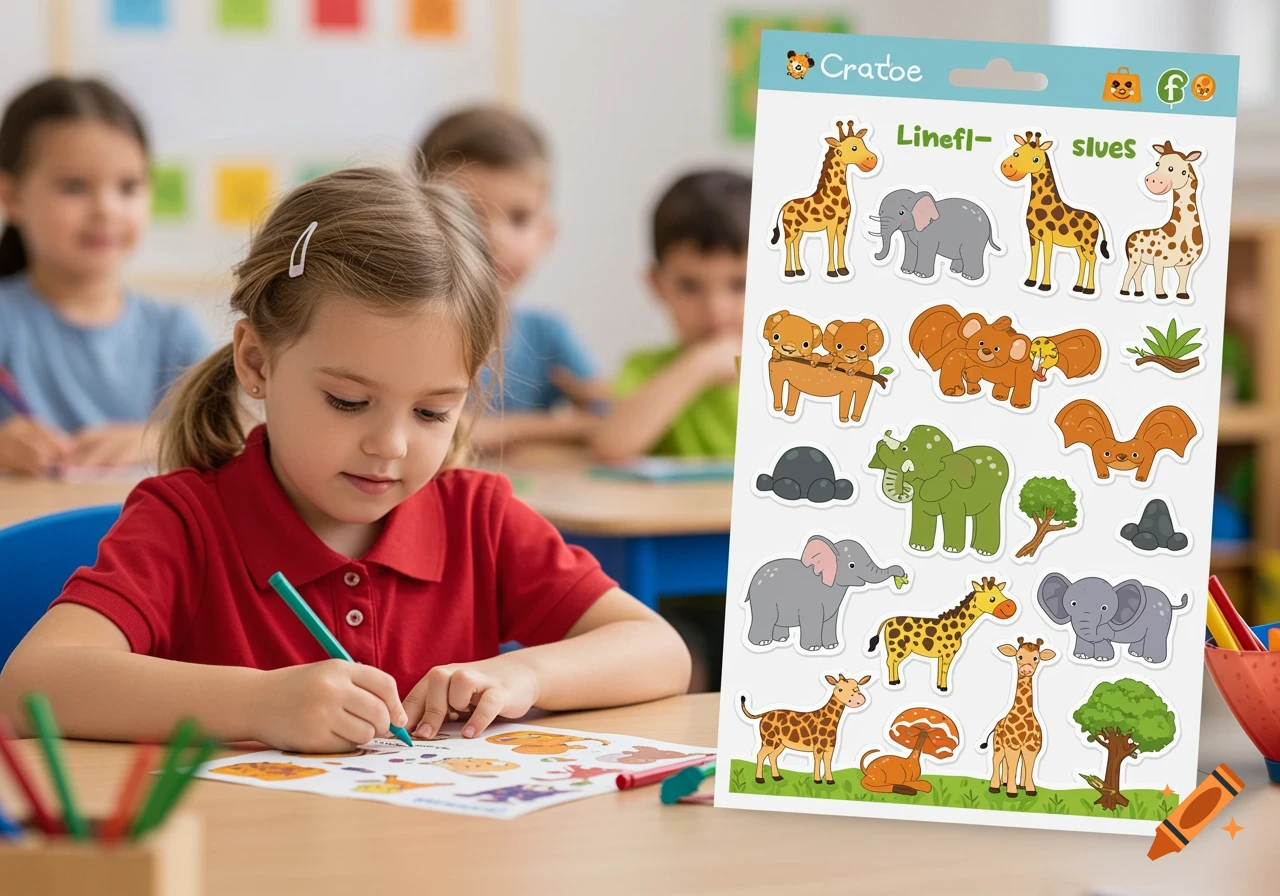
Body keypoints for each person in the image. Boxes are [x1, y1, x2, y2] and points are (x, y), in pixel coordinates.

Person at [0, 167, 690, 750]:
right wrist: (260, 704)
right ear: (256, 362)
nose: (390, 446)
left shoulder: (477, 517)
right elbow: (30, 684)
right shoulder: (185, 522)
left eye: (432, 411)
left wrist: (524, 676)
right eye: (348, 401)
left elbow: (659, 650)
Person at [0, 76, 210, 473]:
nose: (106, 209)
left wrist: (158, 438)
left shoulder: (174, 332)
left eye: (128, 187)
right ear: (11, 196)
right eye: (74, 186)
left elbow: (230, 438)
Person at [416, 106, 605, 455]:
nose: (495, 238)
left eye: (519, 218)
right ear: (416, 221)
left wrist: (501, 430)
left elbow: (609, 421)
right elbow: (440, 434)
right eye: (467, 214)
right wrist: (558, 427)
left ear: (546, 234)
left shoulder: (548, 335)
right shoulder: (403, 330)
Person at [591, 170, 750, 462]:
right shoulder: (645, 369)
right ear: (657, 285)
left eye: (739, 284)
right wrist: (702, 365)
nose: (716, 308)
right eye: (690, 286)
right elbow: (610, 446)